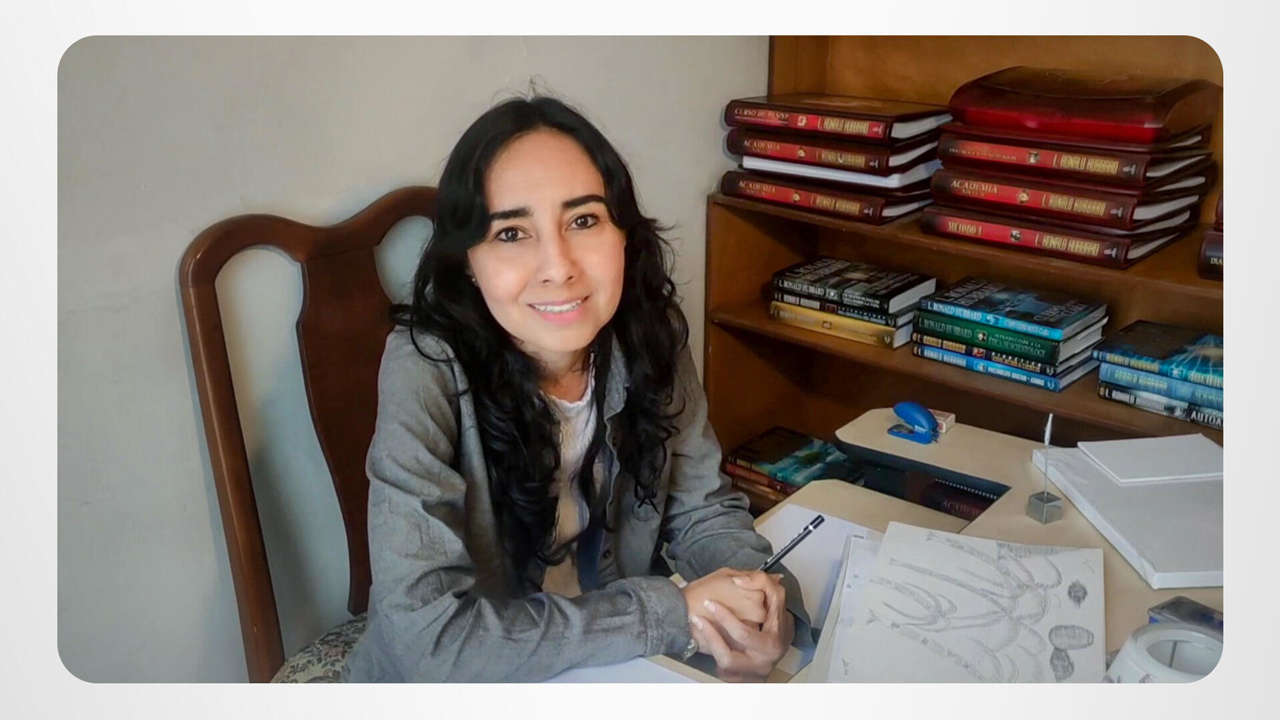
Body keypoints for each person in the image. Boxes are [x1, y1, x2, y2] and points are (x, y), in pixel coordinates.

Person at [342, 95, 812, 683]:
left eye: (584, 220)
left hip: (609, 663)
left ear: (623, 234)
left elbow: (702, 509)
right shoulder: (424, 366)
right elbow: (429, 642)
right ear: (467, 263)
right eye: (511, 232)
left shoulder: (650, 333)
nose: (559, 266)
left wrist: (762, 604)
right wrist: (668, 613)